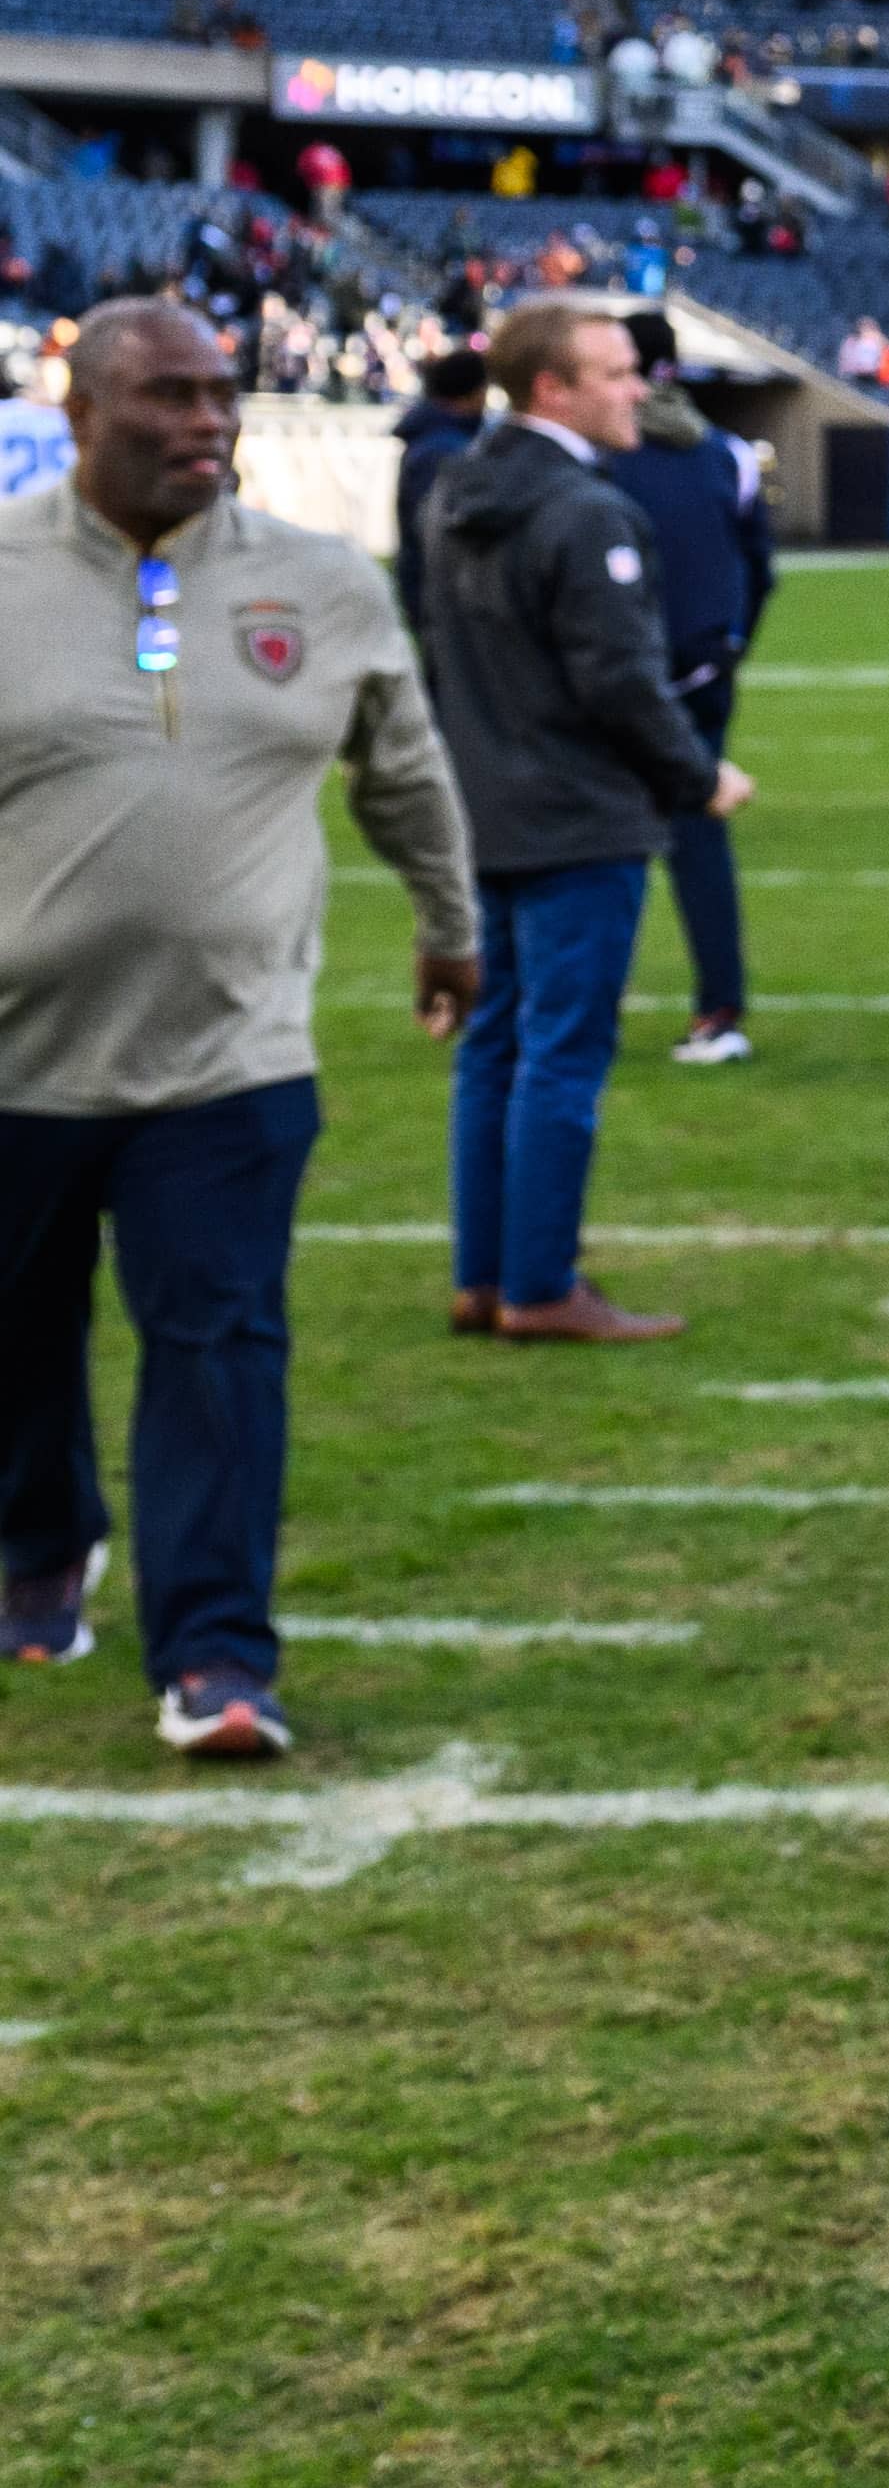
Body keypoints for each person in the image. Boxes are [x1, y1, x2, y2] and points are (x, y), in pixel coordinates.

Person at [0, 300, 479, 1759]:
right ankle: (41, 1541)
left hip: (230, 1054)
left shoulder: (325, 584)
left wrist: (451, 917)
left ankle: (215, 1652)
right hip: (17, 1057)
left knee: (218, 1340)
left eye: (222, 392)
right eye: (168, 395)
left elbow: (400, 763)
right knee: (19, 1337)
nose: (209, 418)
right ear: (81, 410)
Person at [422, 299, 747, 1344]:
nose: (637, 388)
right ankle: (541, 1285)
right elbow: (621, 680)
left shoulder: (454, 491)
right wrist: (696, 777)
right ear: (552, 388)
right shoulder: (583, 509)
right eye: (613, 373)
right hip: (577, 815)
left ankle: (486, 1277)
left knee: (495, 1050)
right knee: (561, 1052)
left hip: (490, 805)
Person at [606, 309, 773, 1067]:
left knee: (598, 845)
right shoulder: (725, 452)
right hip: (703, 670)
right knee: (699, 843)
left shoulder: (596, 454)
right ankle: (720, 1008)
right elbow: (760, 568)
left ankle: (583, 1008)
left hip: (609, 677)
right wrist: (730, 643)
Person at [389, 347, 489, 630]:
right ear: (474, 391)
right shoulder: (445, 451)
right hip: (442, 595)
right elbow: (438, 532)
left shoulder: (438, 441)